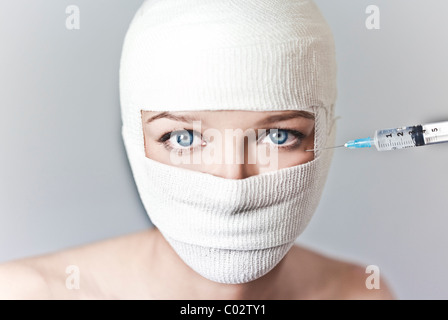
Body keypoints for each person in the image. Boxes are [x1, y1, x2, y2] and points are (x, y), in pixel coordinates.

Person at [0, 0, 394, 299]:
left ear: (325, 136)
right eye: (184, 138)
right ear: (135, 141)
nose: (232, 184)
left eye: (277, 136)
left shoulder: (360, 292)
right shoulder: (27, 293)